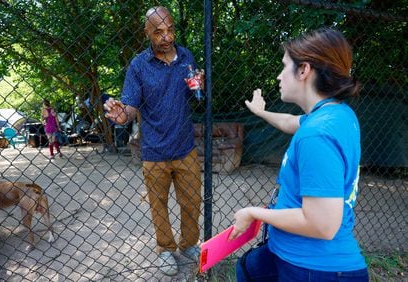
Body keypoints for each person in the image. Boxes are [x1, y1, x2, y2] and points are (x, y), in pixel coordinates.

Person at [229, 28, 368, 281]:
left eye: (284, 67)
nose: (279, 76)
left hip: (315, 268)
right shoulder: (337, 114)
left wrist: (254, 212)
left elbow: (322, 225)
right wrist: (261, 112)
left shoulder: (317, 134)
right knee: (249, 268)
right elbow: (289, 122)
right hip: (297, 256)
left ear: (303, 70)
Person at [104, 6, 203, 276]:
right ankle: (166, 249)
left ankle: (189, 244)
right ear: (147, 32)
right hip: (154, 151)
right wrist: (121, 115)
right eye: (158, 32)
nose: (166, 36)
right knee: (158, 205)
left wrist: (198, 86)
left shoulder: (186, 56)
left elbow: (196, 95)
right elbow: (130, 108)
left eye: (170, 29)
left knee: (192, 202)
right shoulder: (138, 66)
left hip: (185, 147)